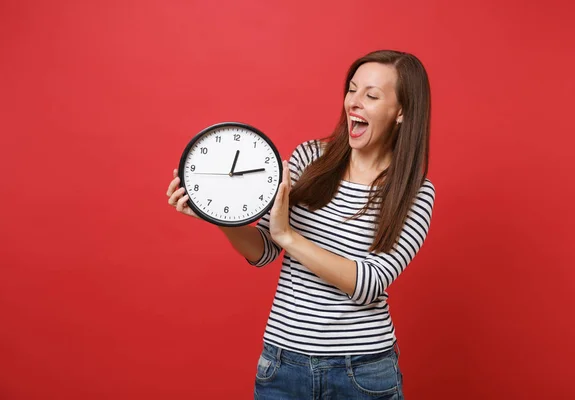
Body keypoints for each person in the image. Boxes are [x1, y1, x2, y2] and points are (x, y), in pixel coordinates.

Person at [166, 50, 435, 399]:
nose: (354, 102)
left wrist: (288, 237)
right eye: (352, 90)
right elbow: (264, 249)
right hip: (283, 364)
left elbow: (369, 283)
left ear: (401, 112)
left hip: (363, 372)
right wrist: (217, 214)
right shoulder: (310, 158)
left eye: (371, 95)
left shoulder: (414, 192)